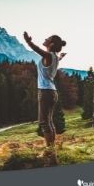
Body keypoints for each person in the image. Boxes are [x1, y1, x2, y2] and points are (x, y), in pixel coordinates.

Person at [23, 31, 66, 166]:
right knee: (49, 122)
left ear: (51, 44)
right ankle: (51, 151)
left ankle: (50, 154)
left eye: (47, 38)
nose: (45, 39)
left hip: (45, 92)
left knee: (44, 122)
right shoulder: (54, 57)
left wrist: (28, 41)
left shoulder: (48, 55)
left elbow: (37, 50)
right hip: (52, 92)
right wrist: (61, 56)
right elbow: (57, 58)